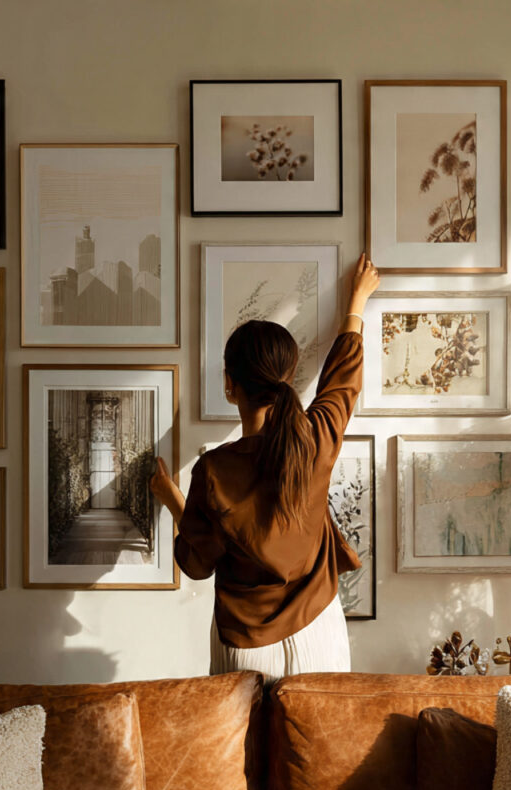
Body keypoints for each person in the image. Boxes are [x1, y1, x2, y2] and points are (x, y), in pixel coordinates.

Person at [149, 253, 380, 681]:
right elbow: (342, 382)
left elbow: (199, 564)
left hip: (247, 644)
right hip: (320, 631)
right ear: (287, 378)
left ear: (229, 385)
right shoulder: (315, 439)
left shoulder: (214, 471)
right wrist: (357, 302)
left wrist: (171, 498)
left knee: (246, 751)